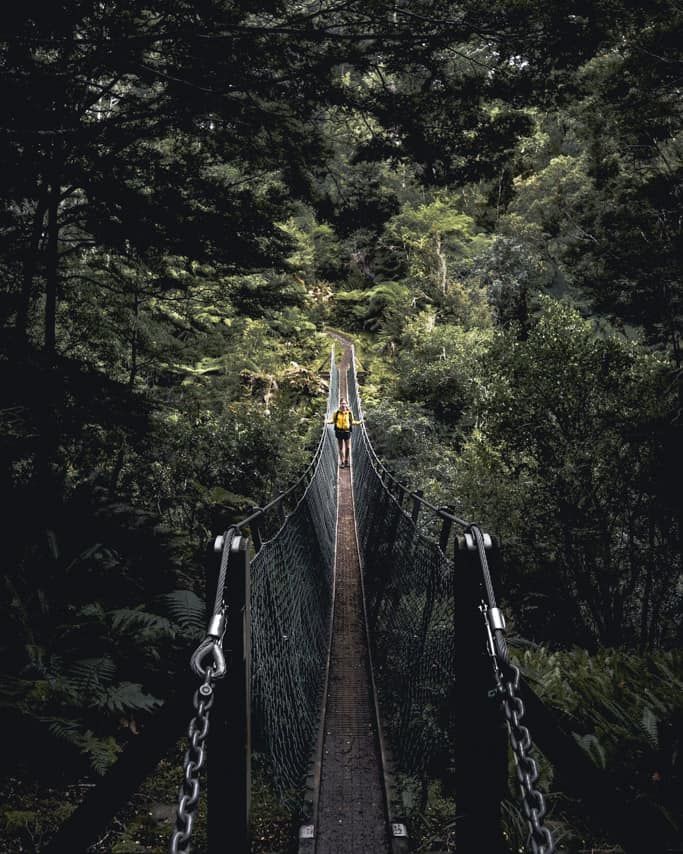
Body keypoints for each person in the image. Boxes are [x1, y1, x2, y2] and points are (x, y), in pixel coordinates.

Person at [327, 398, 362, 467]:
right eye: (342, 403)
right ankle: (342, 462)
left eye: (344, 403)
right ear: (340, 404)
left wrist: (359, 422)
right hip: (339, 431)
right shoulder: (336, 412)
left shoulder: (349, 413)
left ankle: (346, 460)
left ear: (347, 404)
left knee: (348, 447)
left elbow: (352, 422)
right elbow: (333, 421)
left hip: (347, 432)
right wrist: (326, 422)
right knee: (340, 447)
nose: (343, 405)